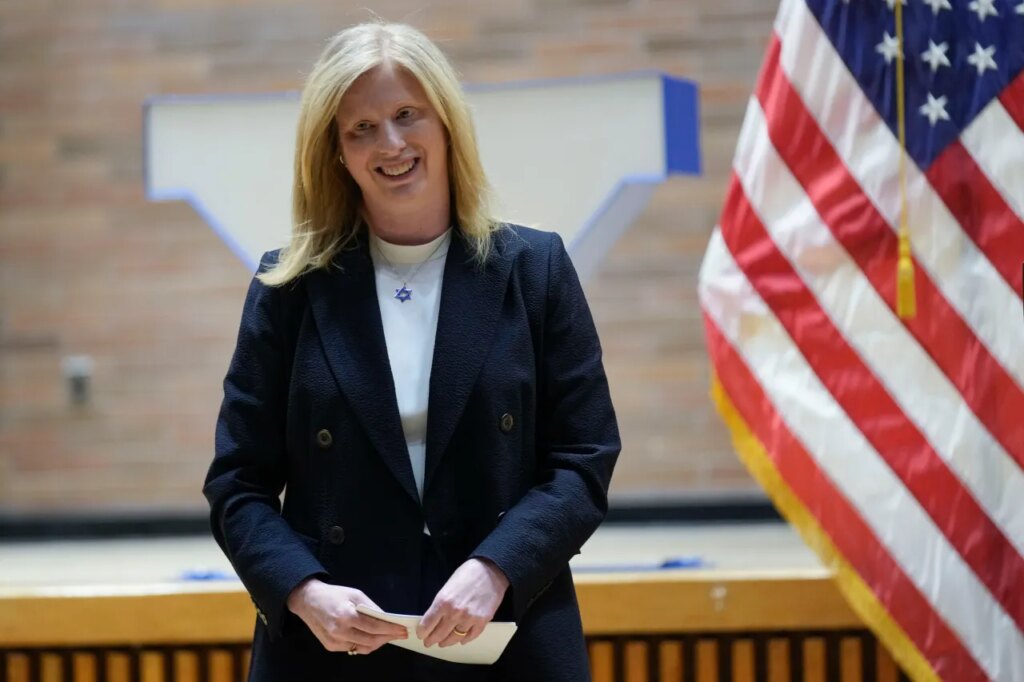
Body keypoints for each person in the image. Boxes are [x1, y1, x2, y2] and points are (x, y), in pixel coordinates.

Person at [203, 19, 621, 681]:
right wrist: (304, 593)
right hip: (333, 647)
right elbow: (238, 483)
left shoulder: (535, 269)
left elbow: (582, 459)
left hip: (507, 635)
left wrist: (497, 567)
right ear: (335, 151)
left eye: (406, 115)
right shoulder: (287, 286)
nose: (390, 144)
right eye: (360, 127)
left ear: (447, 123)